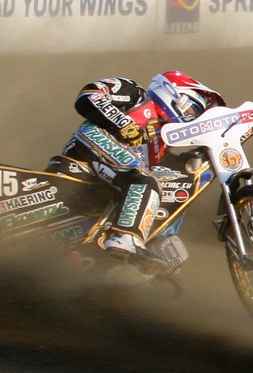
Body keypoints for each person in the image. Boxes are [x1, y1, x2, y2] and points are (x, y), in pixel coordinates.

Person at [44, 73, 227, 260]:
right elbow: (89, 95)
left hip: (98, 189)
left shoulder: (161, 148)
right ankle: (123, 239)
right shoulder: (134, 93)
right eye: (191, 109)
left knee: (165, 187)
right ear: (172, 93)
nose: (192, 117)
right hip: (89, 143)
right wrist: (123, 124)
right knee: (143, 180)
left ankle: (122, 251)